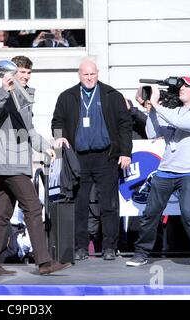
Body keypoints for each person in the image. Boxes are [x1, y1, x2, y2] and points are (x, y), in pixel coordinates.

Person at [0, 55, 71, 276]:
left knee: (1, 213)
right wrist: (4, 89)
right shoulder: (4, 93)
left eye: (28, 72)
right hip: (10, 162)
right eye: (21, 71)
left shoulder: (23, 95)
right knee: (33, 208)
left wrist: (46, 147)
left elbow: (29, 129)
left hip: (16, 163)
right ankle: (44, 262)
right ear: (11, 72)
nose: (26, 76)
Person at [126, 73, 190, 269]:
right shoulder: (175, 111)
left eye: (187, 85)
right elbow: (154, 133)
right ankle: (141, 254)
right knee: (150, 213)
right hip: (166, 169)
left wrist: (157, 105)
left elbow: (179, 123)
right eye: (181, 85)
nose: (181, 88)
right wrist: (150, 110)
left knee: (189, 213)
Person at [51, 58, 132, 261]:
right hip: (78, 159)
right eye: (85, 74)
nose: (89, 78)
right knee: (79, 204)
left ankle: (109, 247)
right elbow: (57, 120)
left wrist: (125, 152)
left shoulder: (112, 95)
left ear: (98, 73)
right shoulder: (67, 96)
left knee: (109, 204)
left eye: (92, 74)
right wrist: (58, 135)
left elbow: (125, 125)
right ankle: (80, 247)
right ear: (79, 75)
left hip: (105, 156)